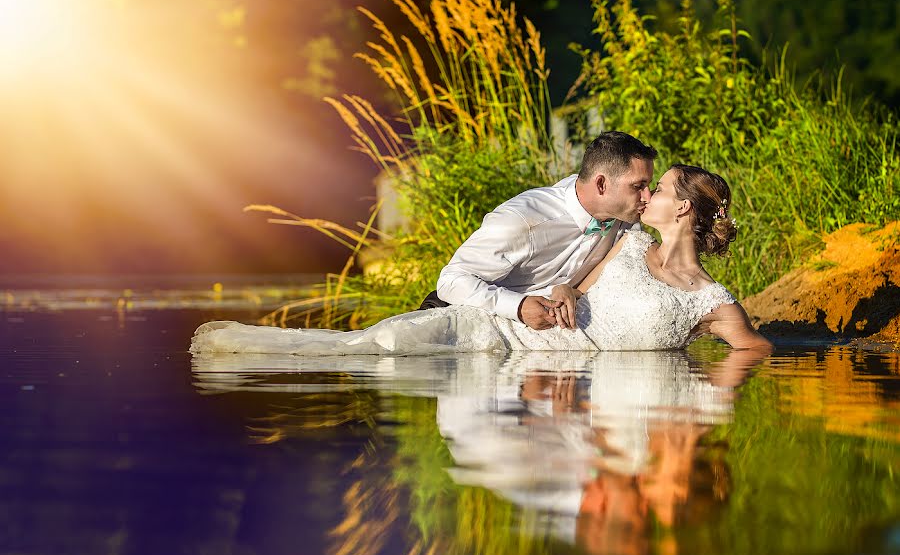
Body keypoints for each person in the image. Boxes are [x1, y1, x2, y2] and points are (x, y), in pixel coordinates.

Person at [190, 164, 773, 354]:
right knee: (372, 348)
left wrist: (714, 390)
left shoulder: (710, 300)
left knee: (373, 352)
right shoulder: (625, 239)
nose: (646, 196)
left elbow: (757, 350)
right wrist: (568, 291)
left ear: (684, 213)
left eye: (660, 190)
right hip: (503, 332)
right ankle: (257, 346)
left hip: (541, 377)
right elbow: (577, 279)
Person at [422, 131, 657, 331]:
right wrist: (519, 306)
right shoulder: (523, 219)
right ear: (601, 185)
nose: (648, 197)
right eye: (638, 187)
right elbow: (451, 281)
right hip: (457, 323)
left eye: (648, 186)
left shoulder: (626, 220)